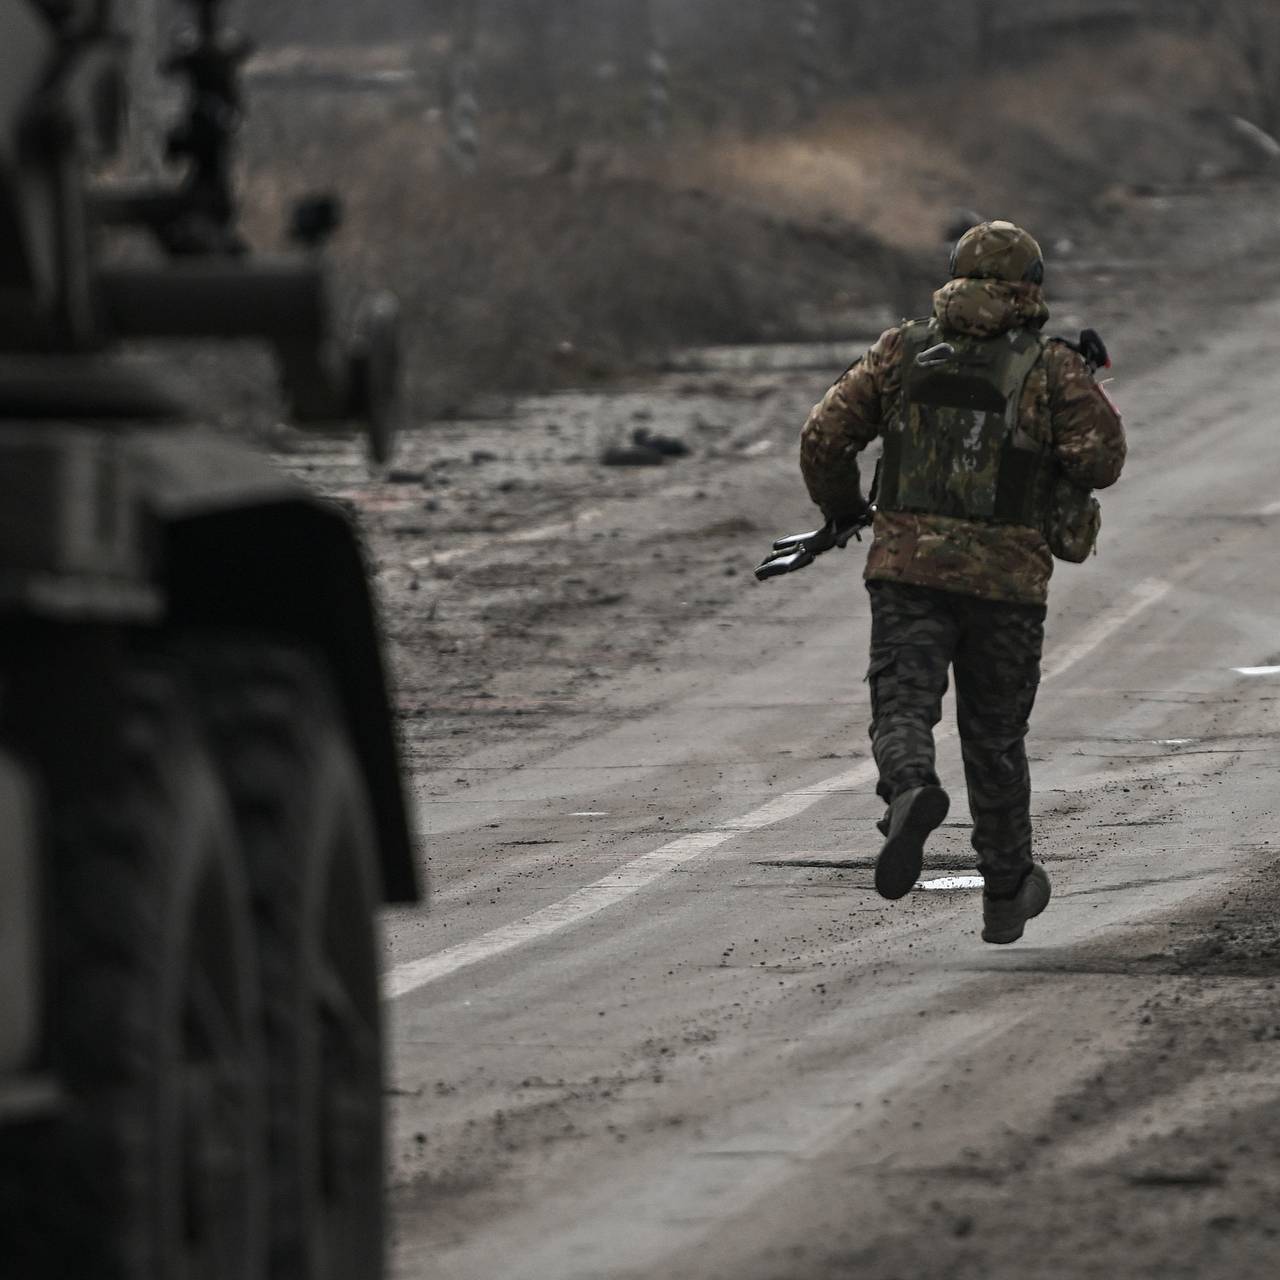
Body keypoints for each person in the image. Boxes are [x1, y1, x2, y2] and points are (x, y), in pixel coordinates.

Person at [798, 220, 1126, 943]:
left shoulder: (901, 351)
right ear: (1030, 287)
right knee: (995, 737)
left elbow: (823, 437)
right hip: (1008, 585)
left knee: (902, 703)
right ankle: (1006, 888)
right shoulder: (1048, 368)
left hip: (908, 572)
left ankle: (911, 786)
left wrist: (845, 511)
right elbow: (1101, 463)